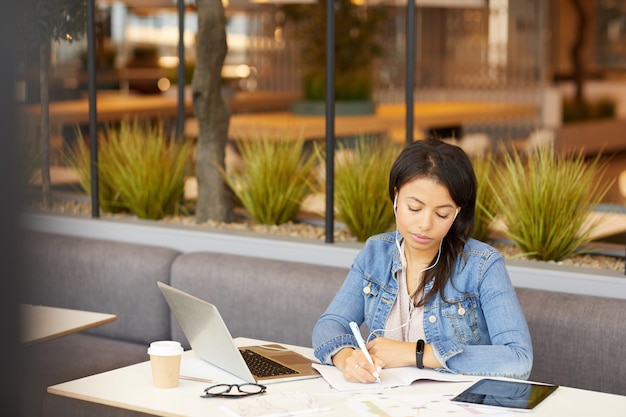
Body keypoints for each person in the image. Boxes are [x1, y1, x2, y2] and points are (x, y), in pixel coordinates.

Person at [312, 138, 532, 383]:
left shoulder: (482, 265)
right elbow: (330, 324)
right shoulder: (376, 253)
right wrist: (347, 359)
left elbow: (518, 358)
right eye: (414, 208)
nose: (425, 224)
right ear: (396, 196)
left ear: (458, 212)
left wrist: (414, 353)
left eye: (442, 214)